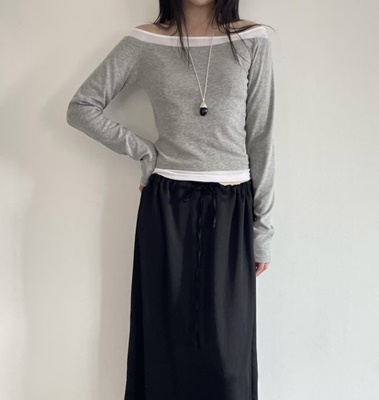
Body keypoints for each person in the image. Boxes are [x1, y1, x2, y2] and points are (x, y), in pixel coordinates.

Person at [66, 0, 275, 398]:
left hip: (232, 208)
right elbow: (81, 107)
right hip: (167, 206)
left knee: (227, 358)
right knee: (165, 346)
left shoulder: (251, 39)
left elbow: (261, 137)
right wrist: (145, 152)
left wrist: (262, 228)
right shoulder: (145, 41)